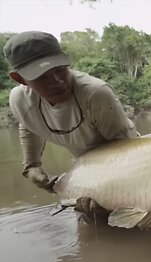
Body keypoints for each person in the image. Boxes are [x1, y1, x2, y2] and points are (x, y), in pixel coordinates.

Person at [3, 31, 139, 219]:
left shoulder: (95, 93)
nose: (57, 81)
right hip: (85, 172)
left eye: (60, 69)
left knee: (148, 233)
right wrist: (31, 165)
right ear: (19, 79)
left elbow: (128, 153)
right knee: (88, 237)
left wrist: (100, 188)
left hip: (134, 169)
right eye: (42, 76)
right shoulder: (19, 100)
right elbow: (28, 125)